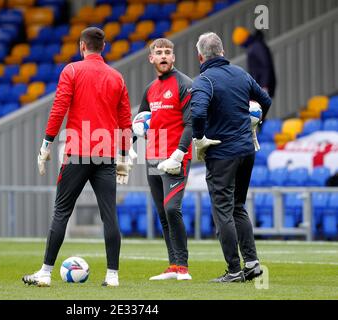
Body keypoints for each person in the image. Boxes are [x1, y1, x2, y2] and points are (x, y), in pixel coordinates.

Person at [22, 27, 133, 287]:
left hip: (78, 152)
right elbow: (125, 120)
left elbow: (59, 108)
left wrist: (46, 145)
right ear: (103, 47)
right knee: (110, 216)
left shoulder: (71, 71)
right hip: (105, 155)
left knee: (61, 211)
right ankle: (112, 276)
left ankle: (46, 273)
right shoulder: (116, 77)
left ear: (82, 46)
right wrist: (125, 157)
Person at [190, 32, 272, 283]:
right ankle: (252, 263)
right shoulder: (241, 74)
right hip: (246, 152)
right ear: (223, 52)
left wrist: (200, 138)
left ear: (200, 56)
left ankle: (234, 270)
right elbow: (265, 101)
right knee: (238, 207)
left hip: (222, 154)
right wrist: (254, 125)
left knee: (223, 211)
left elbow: (198, 113)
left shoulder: (204, 80)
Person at [136, 38, 194, 281]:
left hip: (175, 157)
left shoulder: (185, 84)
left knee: (172, 208)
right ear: (151, 58)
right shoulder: (149, 89)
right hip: (152, 157)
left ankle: (183, 266)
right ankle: (173, 265)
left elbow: (192, 123)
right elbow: (139, 122)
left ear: (173, 57)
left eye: (167, 52)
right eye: (158, 52)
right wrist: (125, 153)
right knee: (162, 212)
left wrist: (179, 153)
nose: (163, 56)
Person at [233, 27, 276, 120]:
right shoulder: (254, 46)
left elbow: (265, 66)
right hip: (260, 85)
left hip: (263, 85)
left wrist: (264, 85)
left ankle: (260, 131)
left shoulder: (256, 47)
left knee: (257, 113)